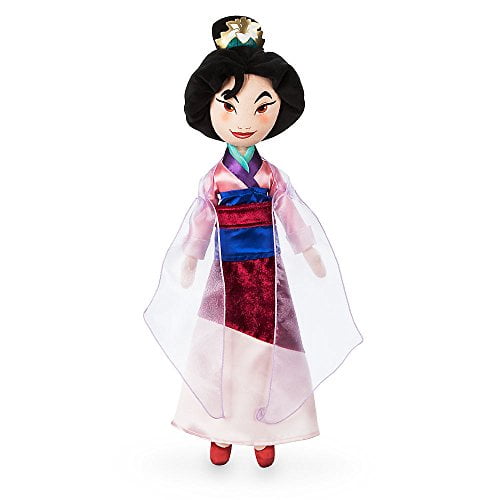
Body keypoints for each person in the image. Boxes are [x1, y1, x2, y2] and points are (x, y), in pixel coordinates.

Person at [144, 15, 362, 468]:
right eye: (230, 107)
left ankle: (266, 430)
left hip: (267, 277)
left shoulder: (270, 176)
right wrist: (191, 256)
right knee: (218, 353)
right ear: (210, 109)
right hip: (224, 280)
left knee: (269, 354)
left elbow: (290, 213)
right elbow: (202, 221)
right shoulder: (217, 178)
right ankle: (220, 429)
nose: (244, 121)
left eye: (261, 108)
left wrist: (307, 249)